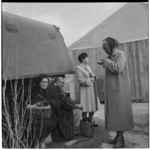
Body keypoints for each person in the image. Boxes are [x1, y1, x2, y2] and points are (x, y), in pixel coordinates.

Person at [98, 37, 134, 148]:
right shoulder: (111, 56)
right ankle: (118, 137)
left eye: (106, 48)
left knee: (120, 115)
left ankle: (120, 139)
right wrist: (104, 88)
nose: (105, 50)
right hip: (113, 92)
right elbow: (109, 76)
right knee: (115, 116)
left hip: (119, 91)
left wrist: (106, 62)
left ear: (112, 45)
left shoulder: (120, 54)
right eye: (104, 49)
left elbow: (118, 68)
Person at [25, 74, 60, 148]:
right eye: (42, 82)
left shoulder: (51, 90)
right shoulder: (33, 90)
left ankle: (42, 141)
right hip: (34, 114)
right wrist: (34, 104)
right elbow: (25, 101)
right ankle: (36, 142)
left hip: (49, 115)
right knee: (34, 123)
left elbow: (57, 103)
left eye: (46, 82)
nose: (44, 84)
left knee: (45, 123)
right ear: (38, 82)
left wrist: (50, 101)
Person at [75, 52, 99, 126]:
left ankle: (90, 121)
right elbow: (80, 80)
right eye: (87, 58)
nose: (88, 59)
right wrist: (91, 79)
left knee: (93, 105)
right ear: (83, 59)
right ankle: (85, 122)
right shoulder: (78, 68)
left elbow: (92, 75)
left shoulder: (88, 67)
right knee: (84, 106)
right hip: (84, 90)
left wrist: (93, 76)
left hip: (91, 89)